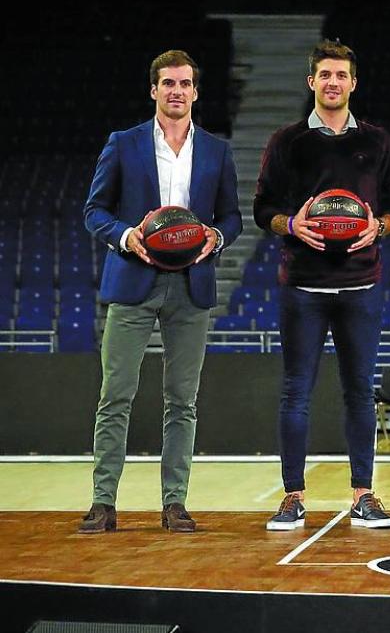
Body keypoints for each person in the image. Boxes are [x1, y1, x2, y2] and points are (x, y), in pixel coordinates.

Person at [80, 49, 242, 534]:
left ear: (195, 91)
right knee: (116, 396)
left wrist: (215, 237)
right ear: (154, 89)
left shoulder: (216, 150)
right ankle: (103, 502)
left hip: (191, 285)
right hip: (133, 280)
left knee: (182, 401)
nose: (177, 91)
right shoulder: (123, 143)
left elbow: (231, 217)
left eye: (185, 84)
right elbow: (94, 211)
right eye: (168, 83)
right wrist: (128, 236)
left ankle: (174, 503)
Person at [254, 40, 390, 531]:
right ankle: (292, 496)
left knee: (360, 392)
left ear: (353, 82)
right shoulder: (288, 141)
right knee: (295, 392)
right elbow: (262, 208)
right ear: (312, 82)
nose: (333, 82)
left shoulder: (378, 142)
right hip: (302, 284)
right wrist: (289, 225)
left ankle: (364, 494)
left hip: (361, 284)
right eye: (325, 75)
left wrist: (378, 227)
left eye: (341, 75)